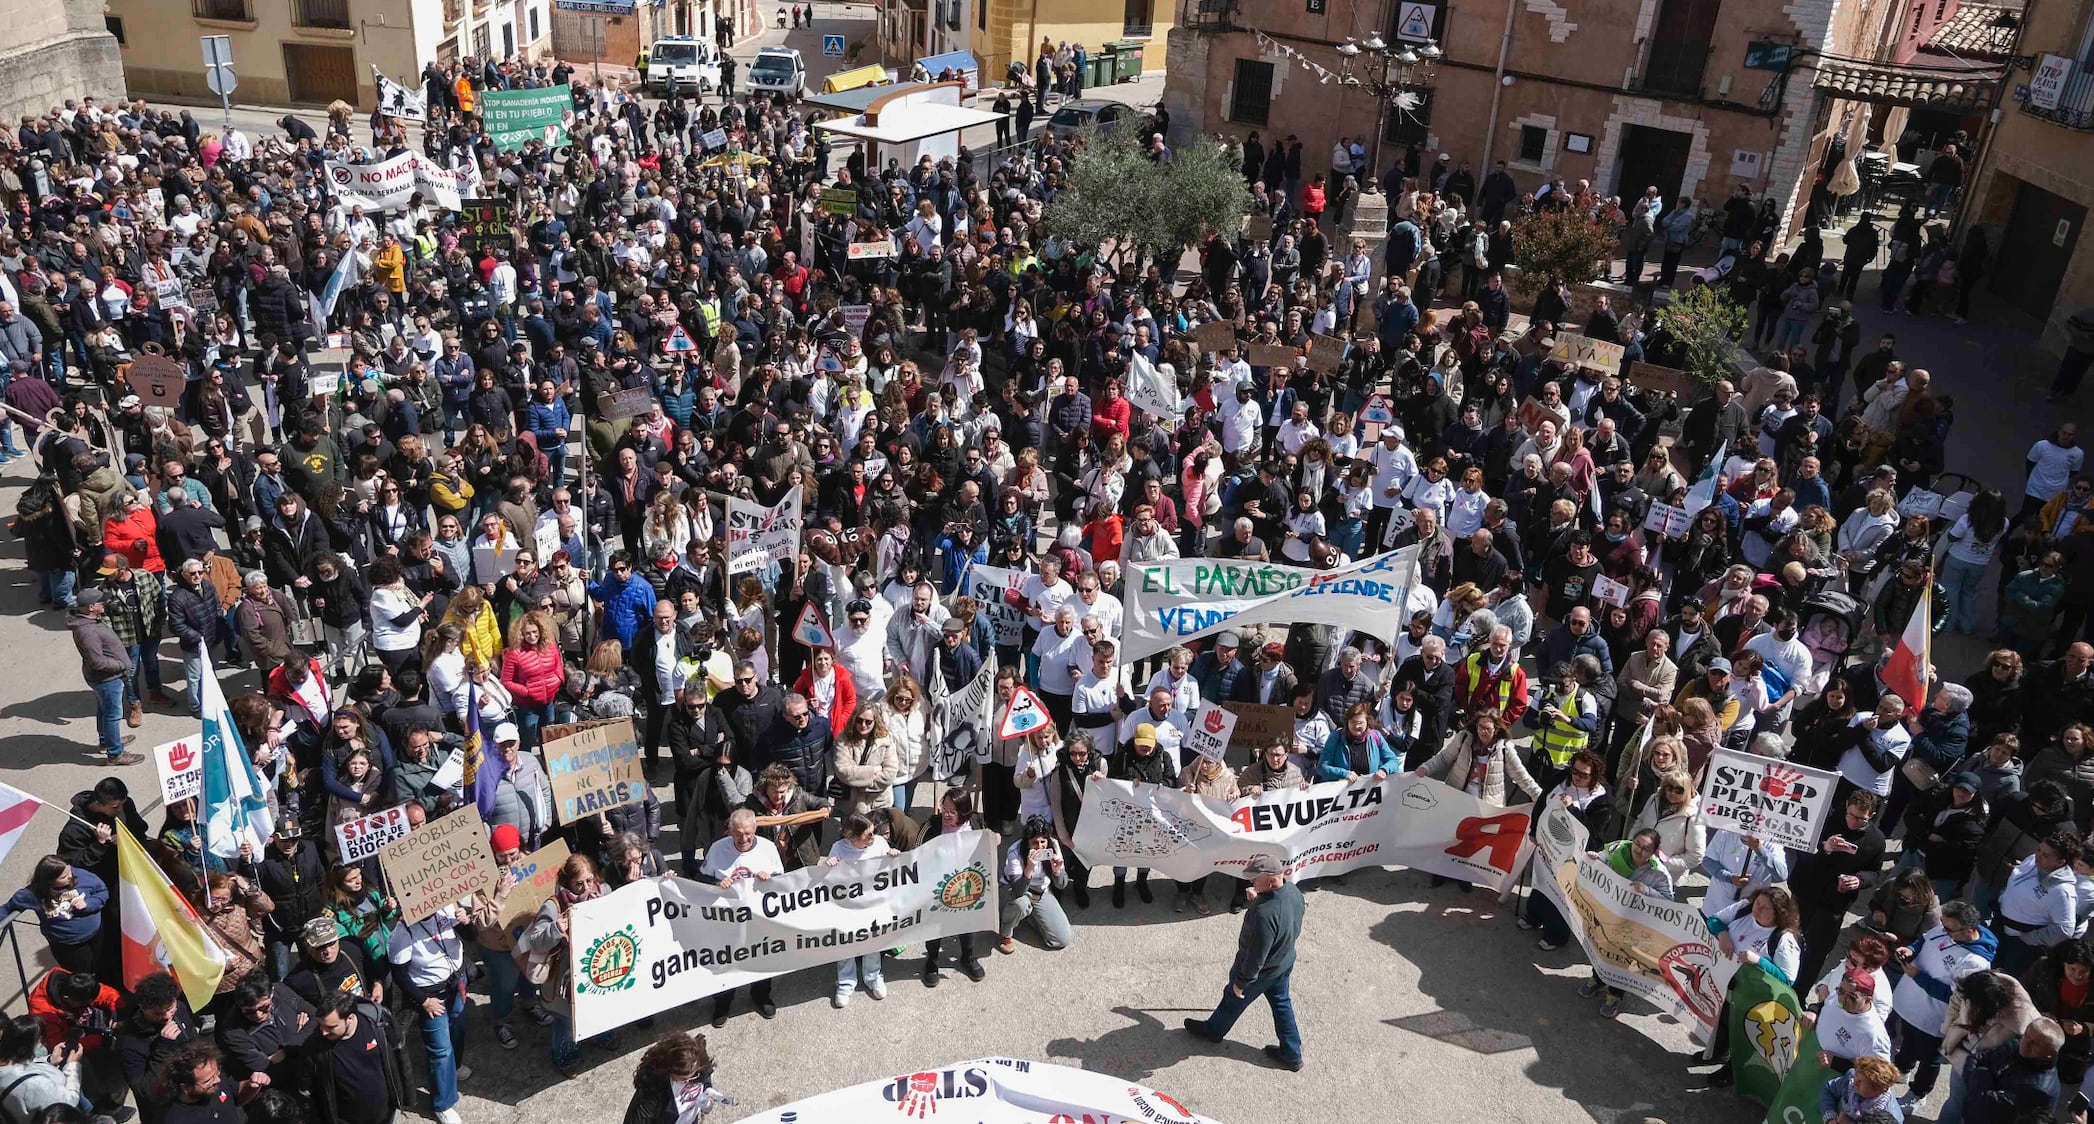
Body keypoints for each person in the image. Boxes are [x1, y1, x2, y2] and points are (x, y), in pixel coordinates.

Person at [1181, 853, 1306, 1070]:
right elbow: (1286, 919)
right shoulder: (1294, 892)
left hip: (1262, 972)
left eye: (1256, 878)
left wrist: (1241, 982)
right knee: (1282, 1003)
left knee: (1232, 1000)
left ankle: (1213, 1031)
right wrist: (1259, 897)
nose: (1251, 882)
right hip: (1284, 962)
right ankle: (1292, 1054)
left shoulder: (1264, 914)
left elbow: (1256, 955)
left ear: (1271, 879)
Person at [699, 811, 781, 1026]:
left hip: (758, 918)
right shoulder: (717, 849)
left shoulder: (768, 848)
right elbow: (700, 877)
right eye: (737, 834)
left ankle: (761, 995)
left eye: (747, 834)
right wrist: (716, 883)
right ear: (729, 831)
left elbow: (784, 882)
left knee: (762, 957)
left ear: (755, 829)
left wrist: (770, 879)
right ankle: (723, 1001)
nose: (743, 839)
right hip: (726, 920)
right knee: (726, 960)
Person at [299, 992, 404, 1124]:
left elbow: (399, 1055)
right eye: (320, 1025)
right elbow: (307, 1090)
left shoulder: (377, 1023)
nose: (323, 1032)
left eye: (330, 1027)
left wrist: (406, 1098)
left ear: (350, 1018)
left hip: (385, 1115)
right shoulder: (315, 1046)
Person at [620, 1033, 733, 1124]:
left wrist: (708, 1089)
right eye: (683, 1079)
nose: (690, 1081)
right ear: (669, 1071)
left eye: (694, 1075)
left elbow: (705, 1074)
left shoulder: (699, 1060)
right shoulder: (652, 1092)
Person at [997, 816, 1071, 954]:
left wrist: (1057, 872)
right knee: (1022, 904)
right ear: (1027, 843)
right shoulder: (1015, 851)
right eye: (1034, 842)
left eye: (1043, 841)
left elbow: (1061, 885)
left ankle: (1030, 917)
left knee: (1061, 939)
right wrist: (1029, 869)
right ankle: (1005, 933)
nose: (1040, 847)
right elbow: (1018, 891)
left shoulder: (1053, 846)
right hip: (1014, 890)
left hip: (1040, 892)